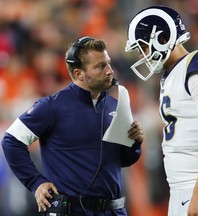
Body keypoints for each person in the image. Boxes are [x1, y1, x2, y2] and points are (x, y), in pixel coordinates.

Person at [1, 36, 144, 216]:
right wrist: (35, 182)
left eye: (108, 63)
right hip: (73, 210)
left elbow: (122, 160)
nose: (110, 71)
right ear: (79, 74)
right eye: (100, 66)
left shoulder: (115, 105)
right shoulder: (52, 106)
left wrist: (135, 143)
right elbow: (11, 140)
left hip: (113, 210)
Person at [125, 5, 198, 216]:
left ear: (162, 38)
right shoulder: (171, 74)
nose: (141, 55)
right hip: (181, 190)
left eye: (143, 47)